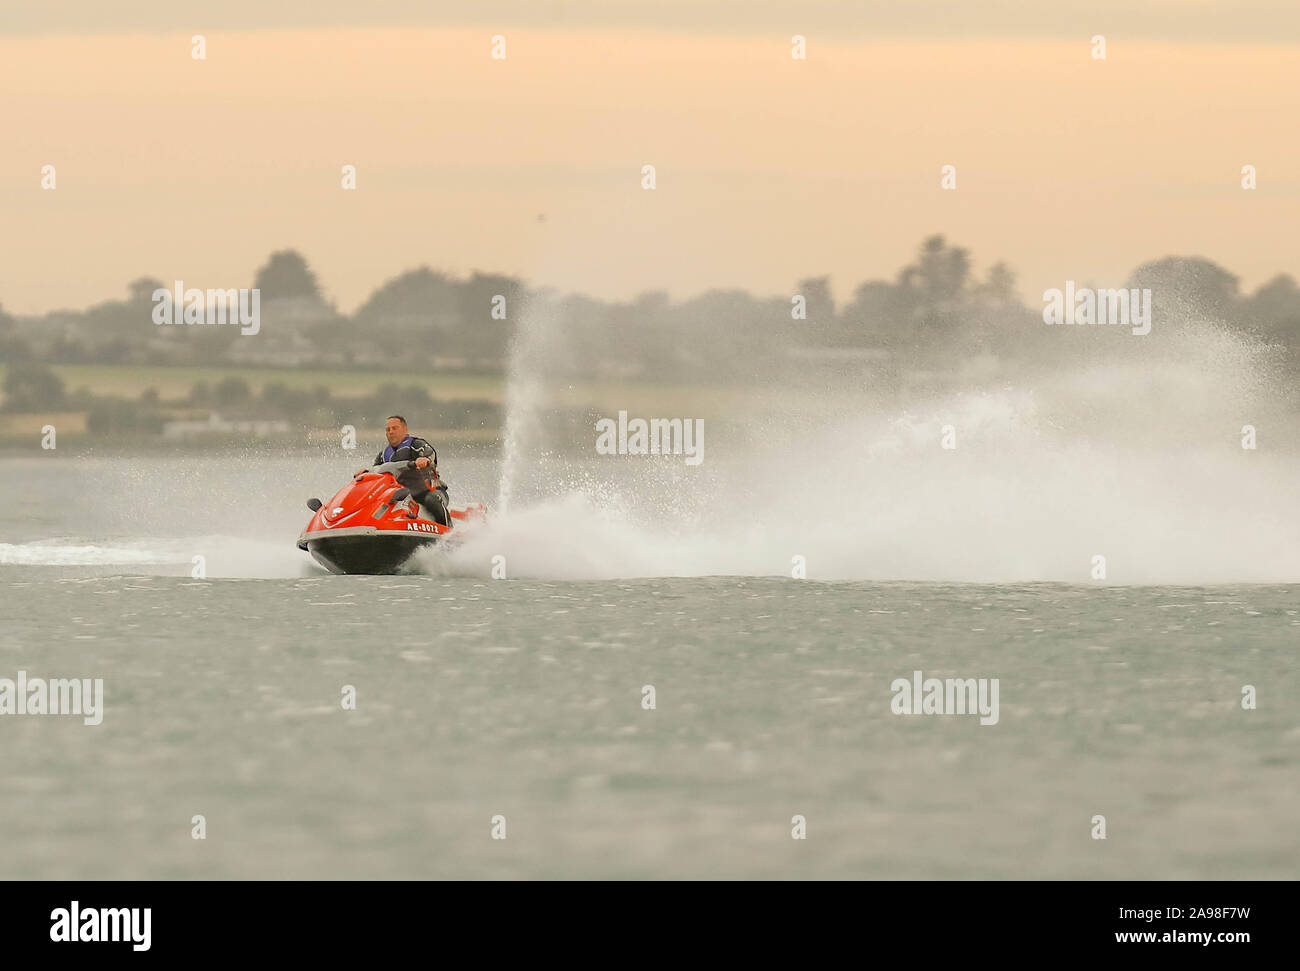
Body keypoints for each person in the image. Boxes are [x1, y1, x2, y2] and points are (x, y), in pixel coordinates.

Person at [355, 415, 448, 525]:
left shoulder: (417, 445)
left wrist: (425, 459)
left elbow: (430, 454)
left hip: (429, 491)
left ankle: (448, 529)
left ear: (405, 430)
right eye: (388, 429)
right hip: (403, 495)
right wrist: (366, 473)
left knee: (432, 500)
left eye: (395, 428)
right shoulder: (383, 455)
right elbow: (377, 473)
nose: (391, 432)